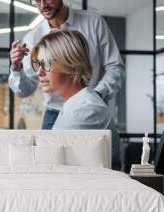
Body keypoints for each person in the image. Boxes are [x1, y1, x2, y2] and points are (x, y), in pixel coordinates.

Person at [9, 0, 124, 129]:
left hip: (88, 109)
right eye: (36, 0)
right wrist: (16, 68)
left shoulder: (93, 23)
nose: (42, 5)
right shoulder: (33, 38)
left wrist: (96, 95)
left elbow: (115, 67)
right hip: (54, 113)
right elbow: (25, 90)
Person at [30, 29, 121, 170]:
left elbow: (52, 166)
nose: (39, 72)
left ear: (73, 68)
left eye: (47, 64)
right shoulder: (75, 104)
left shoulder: (86, 110)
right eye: (38, 64)